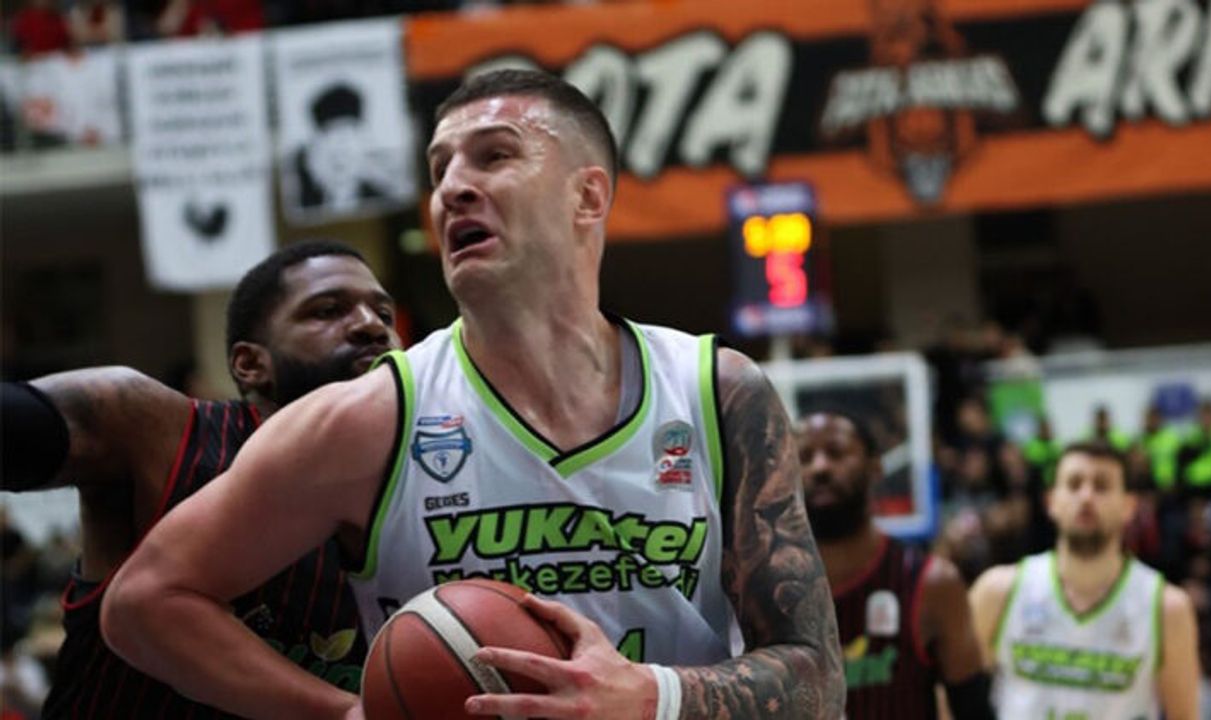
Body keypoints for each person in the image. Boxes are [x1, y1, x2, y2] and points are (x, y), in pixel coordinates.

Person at [101, 69, 844, 719]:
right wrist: (341, 713)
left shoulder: (717, 392)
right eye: (440, 168)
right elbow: (145, 600)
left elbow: (818, 681)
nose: (453, 187)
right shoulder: (373, 418)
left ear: (587, 196)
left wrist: (649, 698)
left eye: (494, 156)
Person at [1, 240, 399, 717]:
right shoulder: (159, 433)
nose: (371, 326)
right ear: (250, 364)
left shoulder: (427, 488)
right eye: (328, 310)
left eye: (385, 314)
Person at [969, 441, 1200, 720]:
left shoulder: (1166, 608)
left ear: (1128, 506)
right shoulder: (998, 591)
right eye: (1074, 484)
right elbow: (953, 700)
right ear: (1051, 501)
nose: (1086, 496)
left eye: (1101, 486)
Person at [797, 412, 994, 719]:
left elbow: (975, 712)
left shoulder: (932, 583)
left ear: (875, 467)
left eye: (836, 452)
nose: (820, 467)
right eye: (804, 457)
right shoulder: (762, 590)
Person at [293, 84, 388, 213]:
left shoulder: (382, 200)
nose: (340, 159)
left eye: (346, 137)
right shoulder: (305, 204)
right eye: (329, 135)